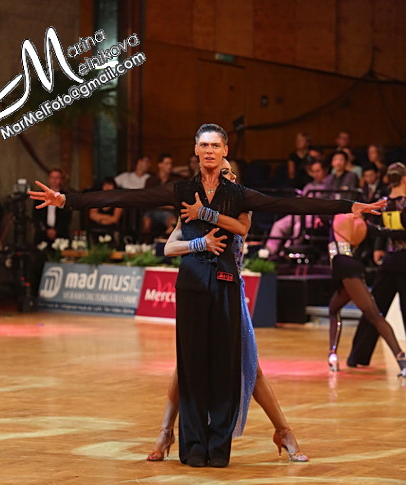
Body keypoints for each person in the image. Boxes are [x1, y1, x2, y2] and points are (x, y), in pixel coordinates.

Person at [29, 122, 385, 467]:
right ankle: (188, 442)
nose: (210, 151)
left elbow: (288, 204)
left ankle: (224, 443)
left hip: (228, 284)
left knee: (231, 366)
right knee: (190, 364)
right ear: (196, 150)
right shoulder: (183, 190)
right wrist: (68, 200)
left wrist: (347, 205)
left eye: (216, 145)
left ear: (225, 150)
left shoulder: (238, 196)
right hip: (192, 282)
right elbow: (129, 197)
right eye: (204, 145)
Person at [147, 160, 308, 463]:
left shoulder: (241, 207)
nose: (226, 176)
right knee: (186, 365)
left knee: (252, 368)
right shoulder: (191, 209)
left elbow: (242, 229)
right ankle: (166, 431)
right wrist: (199, 240)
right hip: (201, 289)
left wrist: (204, 214)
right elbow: (169, 248)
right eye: (221, 172)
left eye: (229, 172)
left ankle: (284, 431)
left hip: (231, 292)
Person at [327, 212, 406, 376]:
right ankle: (332, 354)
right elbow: (383, 232)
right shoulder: (362, 224)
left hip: (344, 268)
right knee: (334, 309)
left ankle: (402, 360)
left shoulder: (339, 217)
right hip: (348, 267)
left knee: (375, 316)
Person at [347, 162, 406, 369]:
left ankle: (357, 356)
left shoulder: (384, 202)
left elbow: (379, 228)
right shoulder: (400, 203)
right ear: (405, 179)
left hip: (390, 261)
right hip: (402, 261)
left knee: (373, 310)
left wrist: (378, 240)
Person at [261, 160, 329, 258]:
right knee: (279, 225)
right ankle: (268, 252)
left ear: (325, 171)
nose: (315, 174)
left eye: (318, 171)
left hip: (315, 215)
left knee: (298, 227)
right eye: (313, 171)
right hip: (301, 212)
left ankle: (286, 252)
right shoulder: (309, 185)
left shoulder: (329, 185)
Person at [141, 153, 178, 242]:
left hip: (168, 212)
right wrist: (164, 203)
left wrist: (159, 203)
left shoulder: (174, 181)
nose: (169, 166)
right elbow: (148, 199)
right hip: (152, 211)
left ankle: (162, 241)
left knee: (173, 222)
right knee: (146, 222)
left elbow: (175, 202)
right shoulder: (151, 180)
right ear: (160, 165)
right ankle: (146, 244)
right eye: (167, 163)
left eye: (171, 163)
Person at [33, 168, 71, 248]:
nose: (54, 180)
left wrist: (56, 231)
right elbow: (36, 216)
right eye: (52, 177)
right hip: (42, 234)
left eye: (57, 178)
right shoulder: (41, 196)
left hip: (60, 235)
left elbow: (67, 217)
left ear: (61, 180)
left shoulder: (65, 197)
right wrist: (46, 230)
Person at [88, 177, 123, 247]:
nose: (107, 187)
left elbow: (115, 219)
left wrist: (100, 218)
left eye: (110, 185)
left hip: (112, 229)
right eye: (105, 185)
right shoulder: (97, 200)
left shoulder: (118, 201)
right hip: (96, 227)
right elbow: (92, 215)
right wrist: (107, 218)